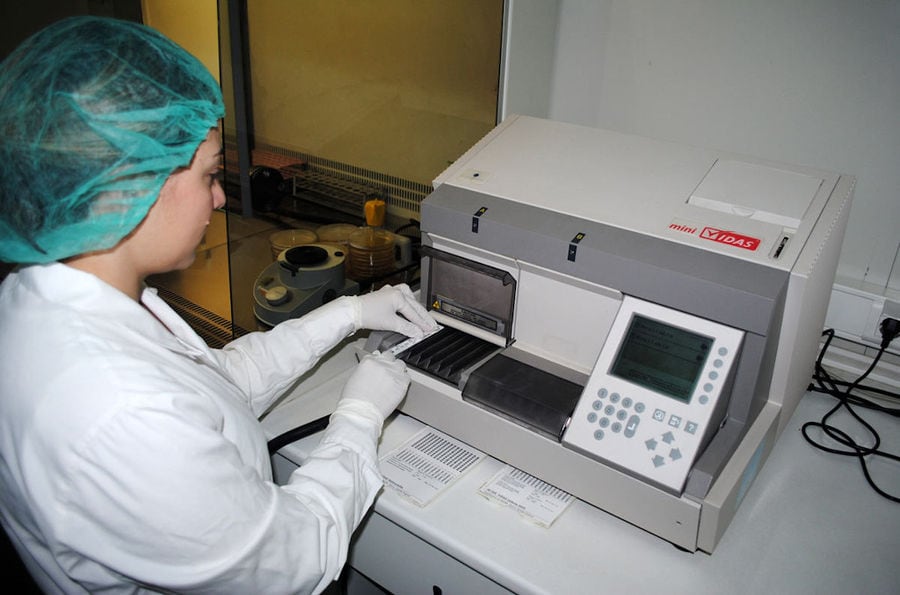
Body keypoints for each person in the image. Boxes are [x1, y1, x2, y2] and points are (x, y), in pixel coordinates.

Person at [0, 16, 438, 594]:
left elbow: (214, 384)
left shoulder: (44, 298)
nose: (219, 196)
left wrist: (348, 315)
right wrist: (359, 418)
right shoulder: (120, 411)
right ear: (130, 186)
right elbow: (296, 560)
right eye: (209, 174)